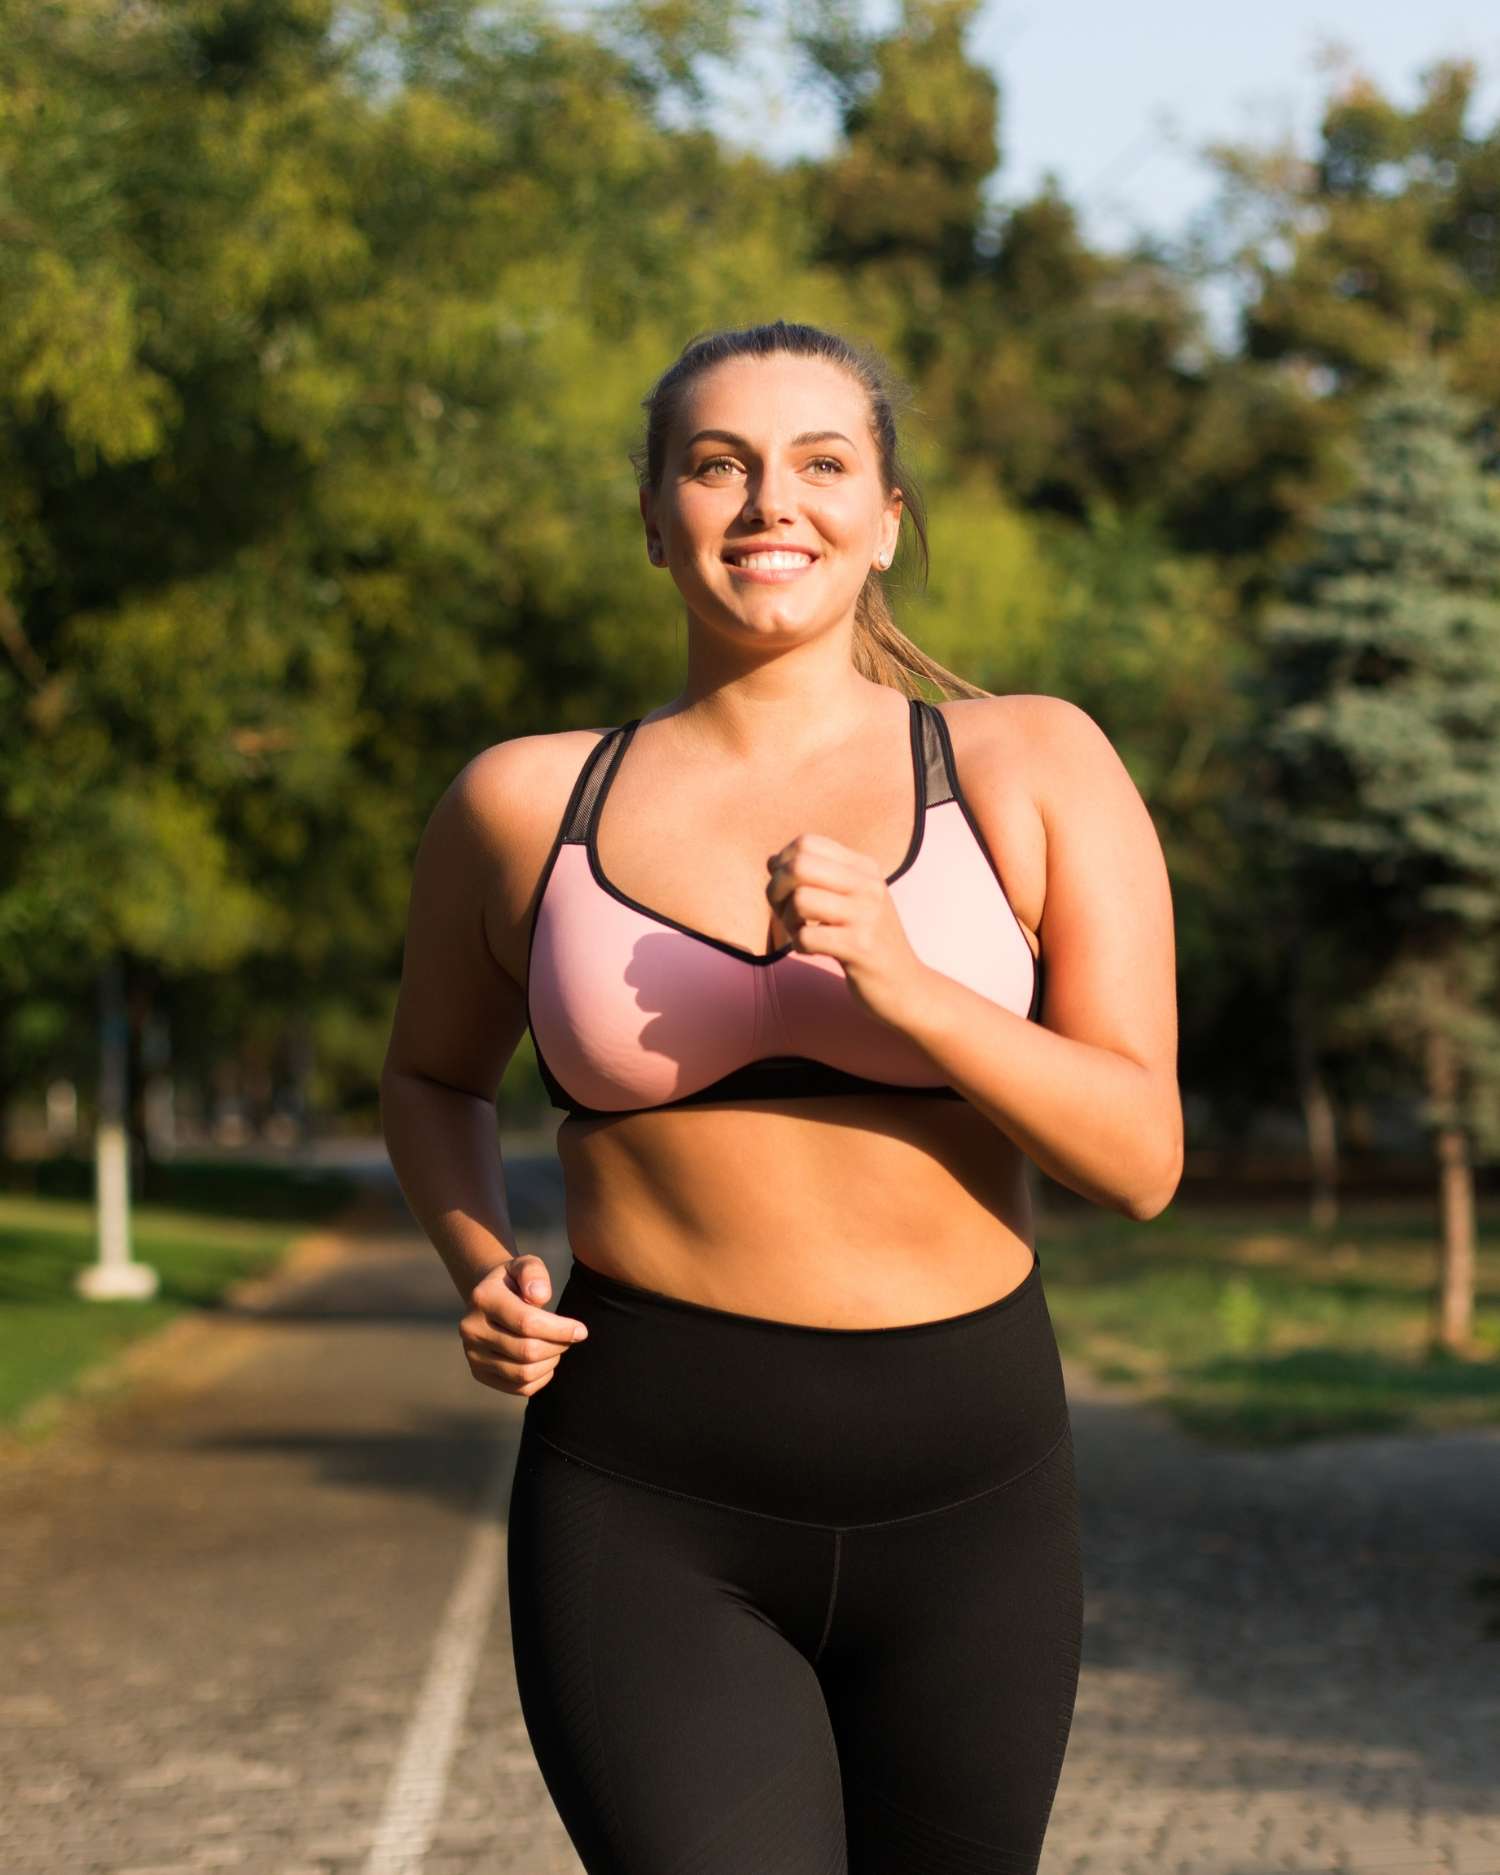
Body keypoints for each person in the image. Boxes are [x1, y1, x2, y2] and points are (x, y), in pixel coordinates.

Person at [380, 318, 1181, 1874]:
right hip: (647, 1489)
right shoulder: (521, 803)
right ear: (654, 517)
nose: (770, 504)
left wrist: (910, 984)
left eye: (822, 464)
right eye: (717, 464)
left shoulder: (1032, 765)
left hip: (974, 1499)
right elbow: (428, 1077)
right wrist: (479, 1264)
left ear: (885, 521)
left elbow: (1140, 1158)